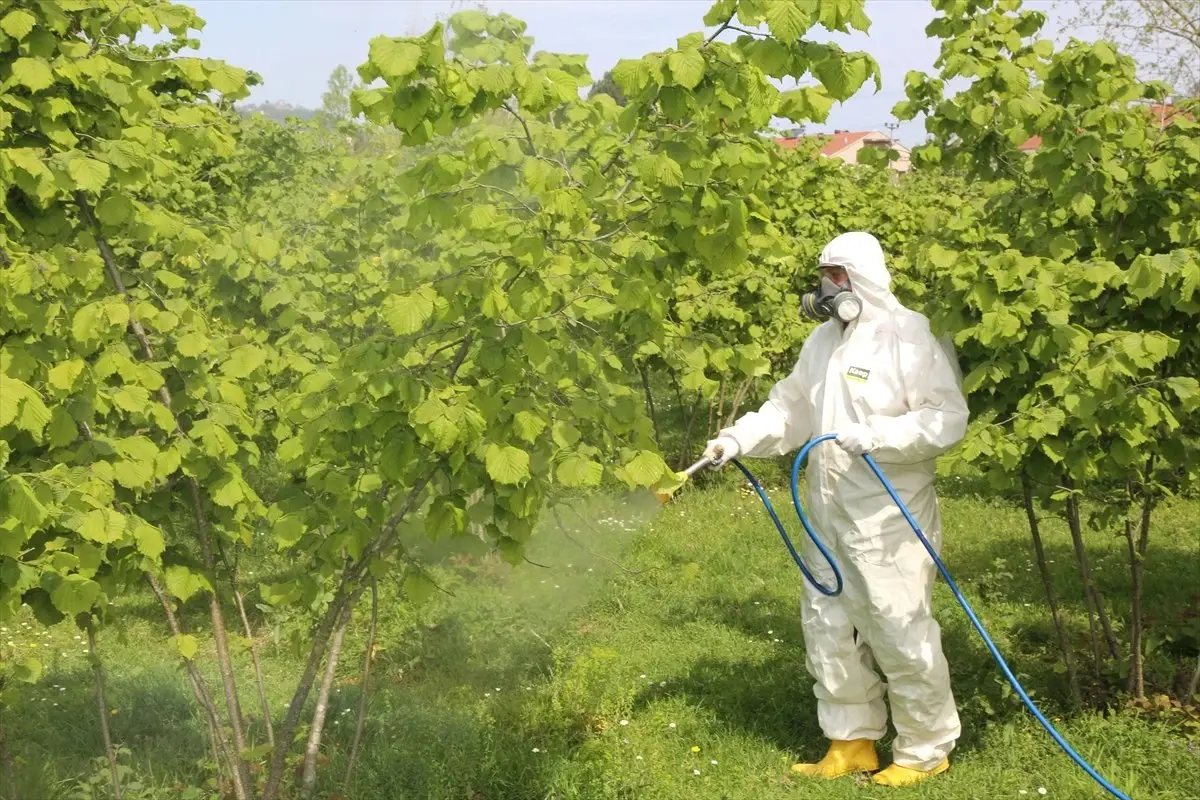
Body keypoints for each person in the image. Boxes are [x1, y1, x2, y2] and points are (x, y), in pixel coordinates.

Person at [703, 231, 969, 788]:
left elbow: (946, 419)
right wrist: (736, 439)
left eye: (838, 275)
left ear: (864, 276)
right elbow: (788, 408)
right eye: (824, 274)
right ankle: (851, 742)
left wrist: (878, 435)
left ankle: (924, 751)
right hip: (825, 514)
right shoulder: (823, 341)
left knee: (897, 627)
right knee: (828, 625)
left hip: (886, 516)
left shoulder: (911, 336)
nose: (827, 287)